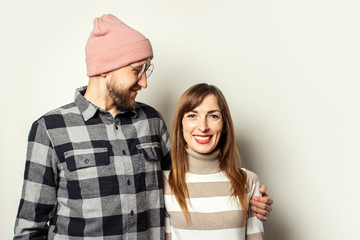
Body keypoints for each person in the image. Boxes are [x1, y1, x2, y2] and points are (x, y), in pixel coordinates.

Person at [14, 14, 272, 239]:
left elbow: (189, 180)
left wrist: (248, 200)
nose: (144, 82)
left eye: (147, 70)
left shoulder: (151, 120)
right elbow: (30, 229)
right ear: (105, 68)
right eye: (137, 70)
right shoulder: (50, 129)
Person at [163, 83, 265, 239]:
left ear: (224, 125)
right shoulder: (164, 183)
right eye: (192, 115)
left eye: (213, 116)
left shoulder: (248, 181)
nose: (203, 127)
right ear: (180, 124)